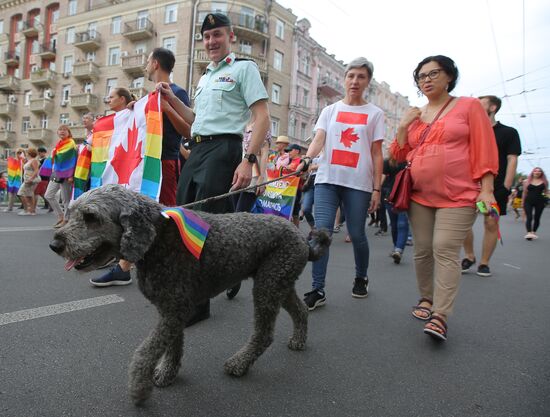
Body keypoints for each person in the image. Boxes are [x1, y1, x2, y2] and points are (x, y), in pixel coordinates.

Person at [156, 12, 270, 324]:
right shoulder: (205, 77)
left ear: (230, 36)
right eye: (207, 37)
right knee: (182, 215)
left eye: (217, 35)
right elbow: (195, 122)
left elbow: (262, 117)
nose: (211, 41)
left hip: (225, 148)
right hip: (199, 149)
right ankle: (232, 271)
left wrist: (248, 160)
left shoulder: (244, 68)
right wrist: (171, 99)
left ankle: (198, 304)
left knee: (203, 223)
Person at [390, 55, 498, 341]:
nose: (426, 80)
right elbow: (398, 156)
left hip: (460, 194)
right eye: (421, 76)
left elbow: (485, 147)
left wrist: (486, 189)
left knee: (444, 248)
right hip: (420, 196)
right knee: (423, 249)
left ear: (449, 76)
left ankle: (440, 314)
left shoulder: (469, 106)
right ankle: (426, 299)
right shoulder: (416, 114)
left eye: (433, 73)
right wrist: (402, 126)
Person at [300, 57, 384, 311]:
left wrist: (377, 188)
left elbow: (377, 153)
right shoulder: (330, 110)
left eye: (360, 77)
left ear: (367, 82)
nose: (354, 81)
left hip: (358, 183)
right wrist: (307, 158)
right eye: (351, 76)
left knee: (357, 234)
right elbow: (319, 139)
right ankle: (318, 289)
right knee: (321, 232)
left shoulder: (375, 114)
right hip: (327, 179)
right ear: (344, 79)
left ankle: (361, 277)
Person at [461, 95, 522, 277]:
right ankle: (469, 256)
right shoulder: (469, 131)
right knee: (463, 223)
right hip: (469, 186)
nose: (475, 106)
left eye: (481, 104)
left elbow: (512, 160)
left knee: (490, 222)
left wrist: (505, 186)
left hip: (495, 189)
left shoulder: (508, 132)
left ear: (493, 107)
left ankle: (484, 262)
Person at [90, 88, 138, 286]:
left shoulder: (141, 109)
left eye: (111, 97)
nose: (107, 99)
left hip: (156, 166)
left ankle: (125, 263)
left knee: (158, 217)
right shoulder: (120, 118)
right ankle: (121, 262)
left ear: (123, 99)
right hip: (130, 172)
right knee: (127, 217)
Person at [44, 125, 77, 227]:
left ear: (69, 132)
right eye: (60, 130)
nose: (62, 132)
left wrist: (71, 175)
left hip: (67, 174)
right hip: (57, 173)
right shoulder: (59, 144)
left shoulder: (71, 143)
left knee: (65, 199)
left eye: (64, 130)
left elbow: (72, 161)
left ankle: (67, 220)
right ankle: (61, 216)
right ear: (57, 132)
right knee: (48, 195)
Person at [381, 157, 409, 264]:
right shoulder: (408, 160)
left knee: (397, 224)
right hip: (401, 195)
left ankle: (397, 248)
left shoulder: (390, 161)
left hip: (393, 195)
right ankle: (397, 248)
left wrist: (376, 190)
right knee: (399, 224)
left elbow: (382, 178)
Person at [281, 143, 305, 227]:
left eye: (290, 150)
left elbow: (303, 175)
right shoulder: (289, 161)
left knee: (295, 213)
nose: (289, 153)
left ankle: (296, 232)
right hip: (286, 189)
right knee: (285, 211)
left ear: (297, 151)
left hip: (296, 190)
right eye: (288, 151)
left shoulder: (301, 161)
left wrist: (292, 171)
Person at [522, 167, 548, 240]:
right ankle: (529, 233)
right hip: (528, 201)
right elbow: (524, 192)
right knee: (529, 217)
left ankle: (533, 232)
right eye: (535, 171)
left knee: (537, 218)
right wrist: (522, 202)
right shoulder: (526, 181)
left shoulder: (545, 182)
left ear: (541, 173)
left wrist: (546, 200)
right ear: (532, 172)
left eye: (539, 171)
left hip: (540, 202)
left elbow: (546, 192)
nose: (537, 172)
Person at [17, 147, 40, 215]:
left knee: (21, 193)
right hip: (28, 179)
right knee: (29, 194)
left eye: (27, 152)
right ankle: (31, 211)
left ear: (29, 153)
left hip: (30, 180)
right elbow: (27, 169)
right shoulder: (29, 160)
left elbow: (36, 170)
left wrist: (31, 178)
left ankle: (26, 210)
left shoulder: (34, 160)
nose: (26, 153)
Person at [3, 148, 25, 212]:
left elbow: (24, 169)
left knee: (21, 194)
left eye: (20, 153)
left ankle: (28, 206)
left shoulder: (23, 160)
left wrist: (21, 161)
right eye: (18, 153)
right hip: (12, 180)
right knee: (11, 193)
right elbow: (10, 168)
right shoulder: (12, 160)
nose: (19, 154)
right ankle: (10, 207)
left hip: (20, 179)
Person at [33, 146, 50, 212]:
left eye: (40, 153)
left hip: (43, 178)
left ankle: (49, 204)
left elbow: (39, 167)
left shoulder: (45, 160)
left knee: (39, 192)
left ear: (44, 153)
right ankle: (48, 205)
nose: (39, 155)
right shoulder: (41, 159)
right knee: (42, 193)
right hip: (41, 178)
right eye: (38, 153)